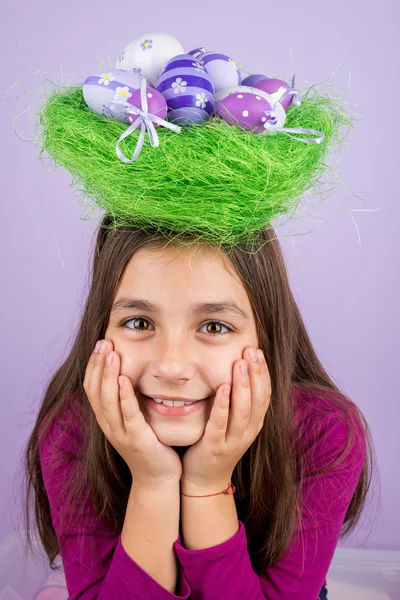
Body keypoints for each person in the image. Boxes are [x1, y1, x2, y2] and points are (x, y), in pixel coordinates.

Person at [20, 41, 374, 600]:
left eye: (214, 326)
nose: (172, 366)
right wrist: (155, 483)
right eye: (138, 322)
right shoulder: (72, 429)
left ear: (267, 330)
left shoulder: (324, 432)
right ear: (101, 326)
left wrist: (208, 485)